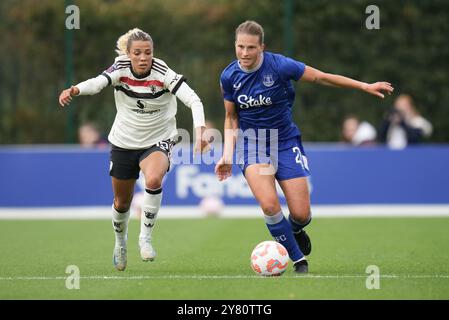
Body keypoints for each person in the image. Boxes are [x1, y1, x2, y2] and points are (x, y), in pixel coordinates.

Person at [215, 20, 393, 273]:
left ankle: (295, 229)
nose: (244, 53)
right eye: (240, 47)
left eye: (251, 47)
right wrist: (227, 155)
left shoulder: (280, 66)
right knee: (269, 205)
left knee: (301, 213)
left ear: (262, 47)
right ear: (235, 45)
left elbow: (321, 77)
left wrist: (363, 86)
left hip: (285, 142)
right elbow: (231, 117)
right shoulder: (229, 75)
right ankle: (299, 261)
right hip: (252, 144)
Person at [59, 28, 209, 271]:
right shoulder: (119, 68)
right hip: (124, 142)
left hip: (158, 139)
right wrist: (75, 89)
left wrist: (200, 128)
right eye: (137, 53)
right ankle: (120, 243)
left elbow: (193, 100)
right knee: (122, 202)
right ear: (128, 54)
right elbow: (98, 83)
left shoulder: (163, 73)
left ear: (153, 54)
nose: (143, 58)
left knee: (153, 178)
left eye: (147, 53)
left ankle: (145, 239)